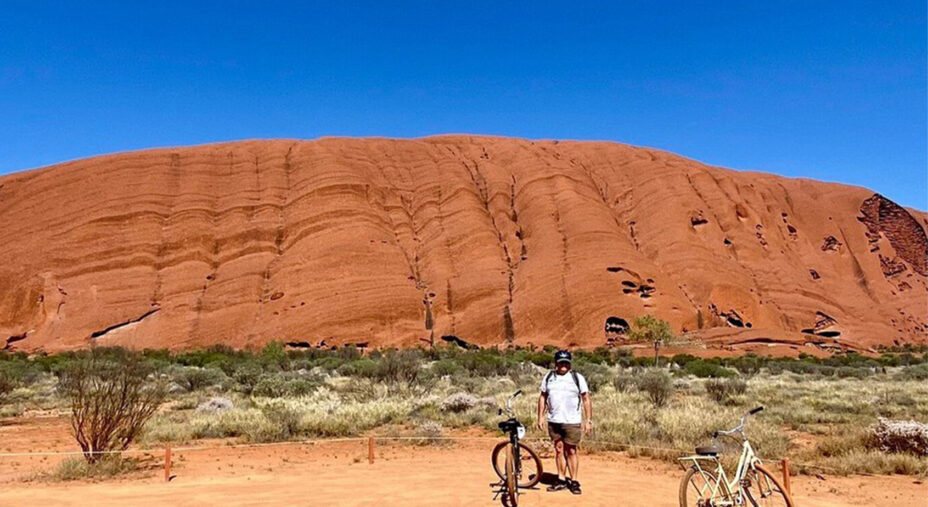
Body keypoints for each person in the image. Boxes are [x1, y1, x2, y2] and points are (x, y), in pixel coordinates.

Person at [536, 349, 593, 494]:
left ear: (570, 364)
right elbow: (543, 397)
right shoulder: (549, 377)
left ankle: (574, 481)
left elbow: (586, 399)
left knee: (571, 450)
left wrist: (588, 420)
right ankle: (561, 479)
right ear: (556, 363)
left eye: (566, 363)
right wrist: (540, 416)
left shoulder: (577, 378)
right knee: (559, 449)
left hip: (572, 421)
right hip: (554, 420)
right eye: (561, 363)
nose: (563, 365)